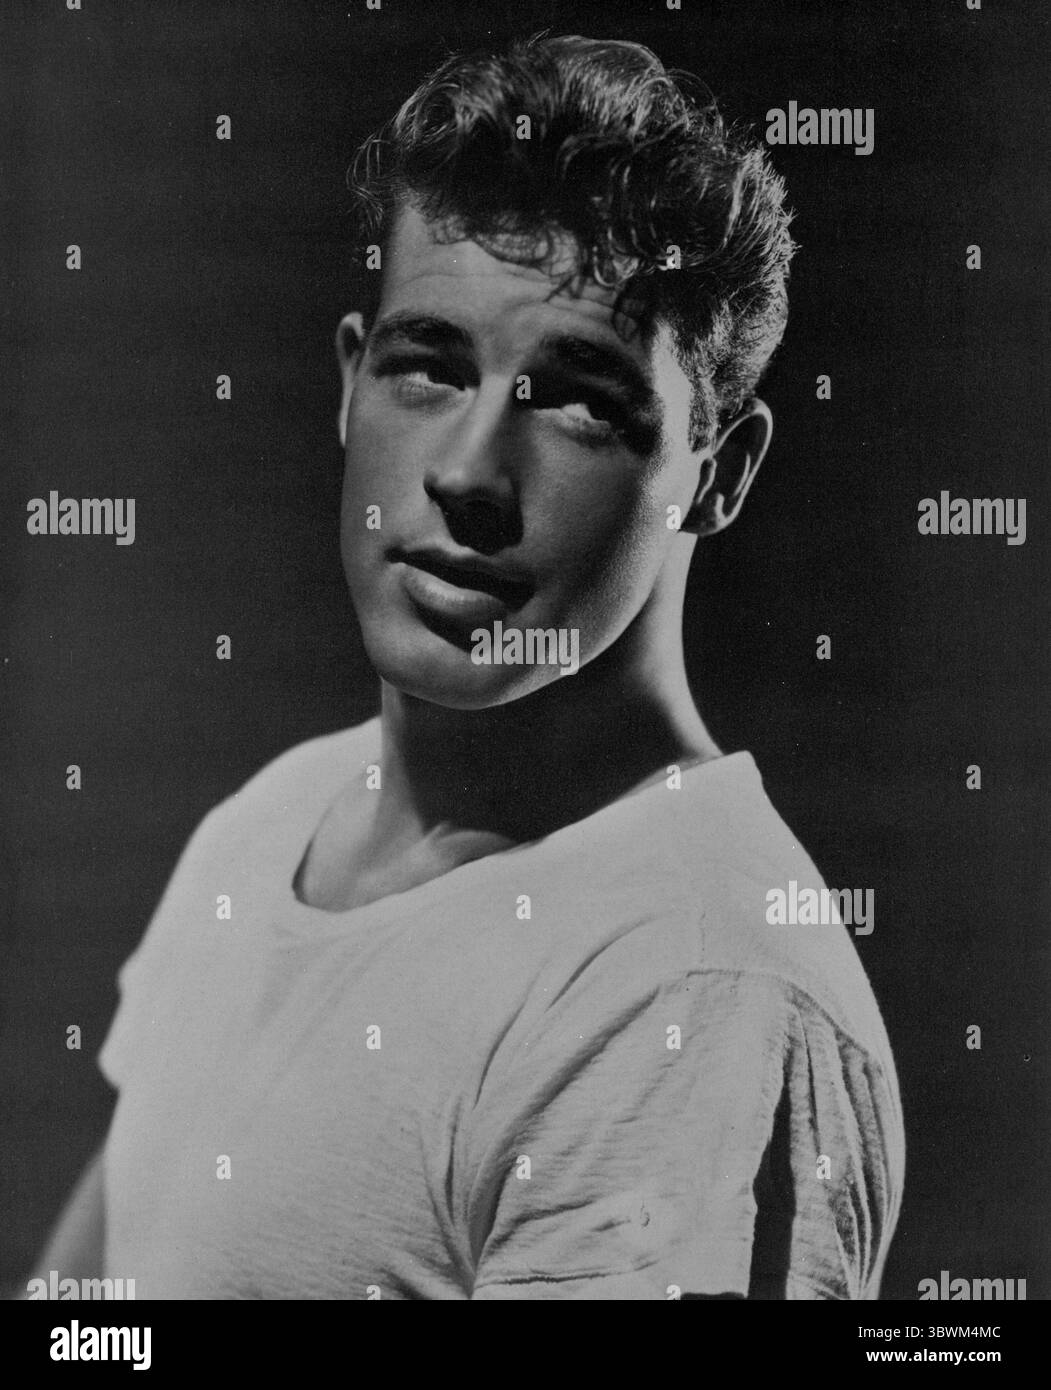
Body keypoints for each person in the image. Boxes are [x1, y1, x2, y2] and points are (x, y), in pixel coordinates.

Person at [29, 33, 904, 1300]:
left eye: (581, 400)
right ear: (350, 384)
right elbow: (79, 1314)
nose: (468, 472)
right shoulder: (267, 821)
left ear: (719, 473)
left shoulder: (694, 986)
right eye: (431, 368)